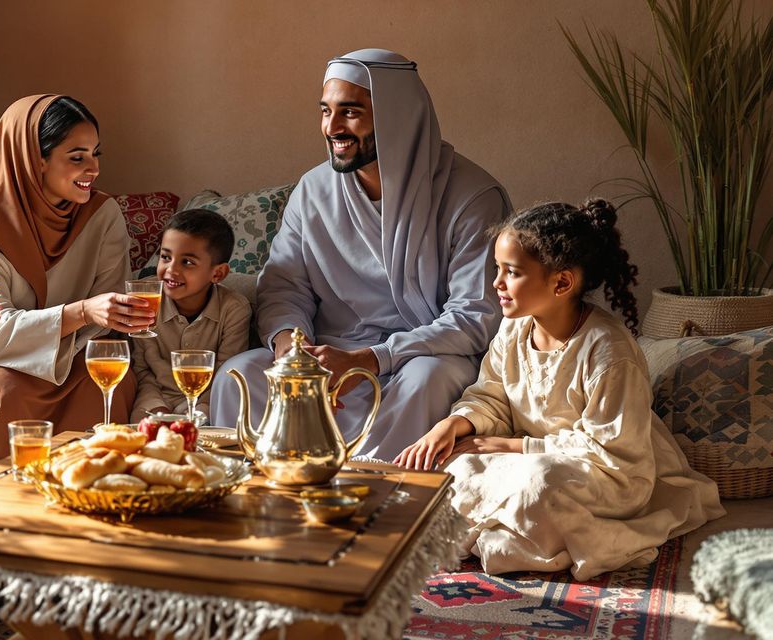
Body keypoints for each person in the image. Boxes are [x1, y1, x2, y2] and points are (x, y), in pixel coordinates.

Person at [395, 199, 724, 580]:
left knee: (540, 485)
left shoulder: (609, 352)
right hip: (535, 456)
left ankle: (513, 534)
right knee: (457, 464)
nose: (496, 284)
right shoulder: (514, 329)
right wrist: (452, 426)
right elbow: (492, 396)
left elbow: (611, 449)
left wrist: (512, 446)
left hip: (609, 472)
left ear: (562, 282)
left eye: (511, 272)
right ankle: (510, 529)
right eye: (497, 270)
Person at [211, 48, 511, 460]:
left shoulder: (471, 197)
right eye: (325, 111)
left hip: (422, 356)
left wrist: (370, 359)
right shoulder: (312, 191)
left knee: (428, 380)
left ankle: (374, 507)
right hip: (324, 355)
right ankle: (250, 499)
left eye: (349, 112)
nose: (331, 127)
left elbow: (476, 315)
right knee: (238, 374)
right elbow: (283, 289)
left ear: (397, 115)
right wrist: (293, 354)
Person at [0, 94, 156, 457]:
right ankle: (21, 497)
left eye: (96, 154)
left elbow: (106, 309)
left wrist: (104, 317)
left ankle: (91, 488)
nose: (93, 169)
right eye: (77, 157)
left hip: (67, 354)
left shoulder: (102, 214)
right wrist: (82, 312)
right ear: (35, 160)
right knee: (7, 395)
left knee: (114, 383)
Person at [130, 209, 252, 422]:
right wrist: (154, 407)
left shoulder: (234, 309)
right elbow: (142, 369)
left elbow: (225, 374)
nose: (171, 269)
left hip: (208, 401)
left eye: (187, 262)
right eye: (166, 257)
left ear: (218, 273)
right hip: (153, 397)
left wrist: (199, 411)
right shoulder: (143, 299)